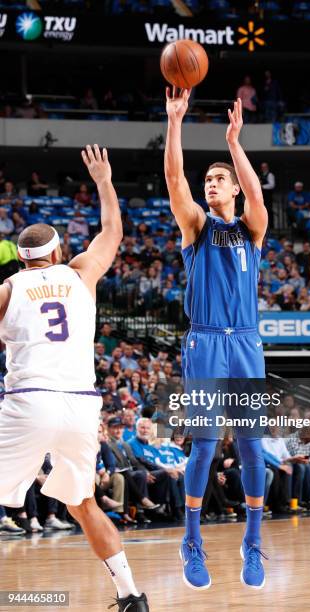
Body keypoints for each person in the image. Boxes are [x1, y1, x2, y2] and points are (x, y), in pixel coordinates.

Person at [0, 145, 149, 612]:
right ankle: (131, 596)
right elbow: (112, 231)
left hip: (30, 400)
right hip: (81, 406)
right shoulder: (82, 272)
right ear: (58, 251)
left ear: (22, 259)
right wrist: (104, 181)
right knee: (83, 504)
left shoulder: (8, 289)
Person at [164, 89, 268, 590]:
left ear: (233, 189)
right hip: (205, 342)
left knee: (252, 447)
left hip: (246, 343)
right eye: (207, 180)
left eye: (218, 179)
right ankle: (192, 542)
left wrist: (234, 144)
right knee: (203, 447)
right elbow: (173, 180)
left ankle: (252, 544)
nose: (210, 184)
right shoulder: (197, 227)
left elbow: (257, 194)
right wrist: (175, 122)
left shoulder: (252, 228)